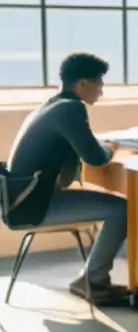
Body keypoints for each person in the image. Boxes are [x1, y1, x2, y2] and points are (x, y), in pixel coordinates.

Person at [7, 52, 129, 304]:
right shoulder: (71, 108)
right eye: (99, 84)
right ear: (82, 83)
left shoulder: (52, 104)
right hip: (33, 206)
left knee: (116, 205)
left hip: (21, 200)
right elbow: (96, 157)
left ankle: (91, 277)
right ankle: (93, 281)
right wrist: (111, 147)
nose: (101, 91)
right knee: (122, 209)